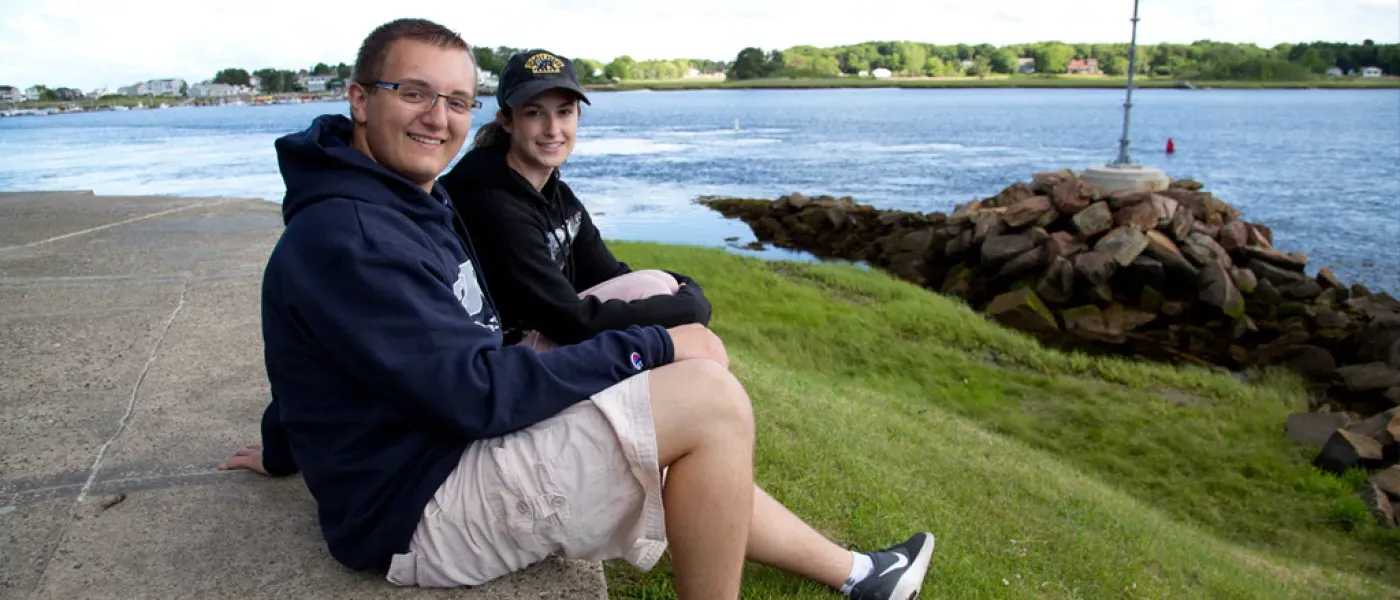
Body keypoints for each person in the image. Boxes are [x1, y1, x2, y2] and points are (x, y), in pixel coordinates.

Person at [220, 17, 935, 600]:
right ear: (360, 98)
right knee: (708, 401)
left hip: (440, 453)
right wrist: (652, 347)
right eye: (413, 92)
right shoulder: (354, 235)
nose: (438, 117)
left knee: (676, 421)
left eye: (456, 101)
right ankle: (858, 575)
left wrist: (282, 447)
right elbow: (476, 397)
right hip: (421, 508)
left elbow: (317, 353)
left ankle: (860, 576)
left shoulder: (408, 198)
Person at [438, 50, 710, 352]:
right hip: (500, 358)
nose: (553, 129)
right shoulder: (490, 203)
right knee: (678, 326)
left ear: (578, 115)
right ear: (507, 120)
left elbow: (613, 276)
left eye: (564, 112)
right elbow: (572, 322)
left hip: (547, 336)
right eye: (534, 113)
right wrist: (688, 309)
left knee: (660, 288)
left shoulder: (556, 195)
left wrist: (685, 288)